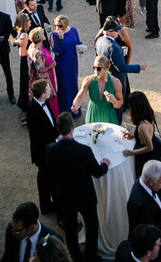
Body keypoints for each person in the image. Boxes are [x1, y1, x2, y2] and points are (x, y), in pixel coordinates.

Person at [46, 111, 110, 262]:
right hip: (84, 196)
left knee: (70, 228)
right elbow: (98, 172)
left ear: (58, 129)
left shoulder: (50, 150)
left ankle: (75, 256)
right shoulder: (84, 151)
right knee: (92, 226)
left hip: (65, 195)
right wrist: (105, 164)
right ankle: (91, 257)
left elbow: (51, 174)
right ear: (73, 127)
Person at [95, 17, 146, 118]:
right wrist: (139, 67)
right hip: (116, 78)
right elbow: (121, 68)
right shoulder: (114, 47)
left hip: (105, 76)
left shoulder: (99, 40)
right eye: (116, 30)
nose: (118, 31)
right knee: (118, 104)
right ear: (109, 33)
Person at [126, 160, 161, 262]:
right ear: (151, 182)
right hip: (151, 249)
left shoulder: (145, 179)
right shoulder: (141, 205)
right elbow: (154, 231)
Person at [27, 78, 59, 213]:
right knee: (47, 180)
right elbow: (39, 138)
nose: (51, 90)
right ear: (42, 95)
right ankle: (48, 206)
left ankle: (46, 205)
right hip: (43, 153)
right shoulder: (33, 112)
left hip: (48, 148)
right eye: (48, 89)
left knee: (46, 179)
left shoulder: (44, 103)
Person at [122, 90, 161, 176]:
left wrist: (132, 152)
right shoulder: (147, 117)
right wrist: (134, 136)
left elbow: (150, 147)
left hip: (146, 158)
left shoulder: (142, 126)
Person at [71, 54, 123, 123]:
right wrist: (75, 106)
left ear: (106, 68)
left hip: (108, 115)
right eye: (94, 67)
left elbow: (120, 103)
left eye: (98, 68)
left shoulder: (116, 82)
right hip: (93, 114)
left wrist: (114, 101)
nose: (95, 70)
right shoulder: (88, 80)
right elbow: (80, 96)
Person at [50, 14, 83, 116]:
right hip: (62, 64)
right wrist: (60, 39)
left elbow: (78, 42)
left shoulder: (73, 30)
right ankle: (65, 111)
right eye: (56, 25)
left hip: (72, 62)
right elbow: (57, 52)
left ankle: (75, 109)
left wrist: (80, 49)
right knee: (64, 86)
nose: (57, 28)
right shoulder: (54, 35)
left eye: (60, 26)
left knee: (73, 84)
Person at [28, 26, 59, 117]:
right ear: (40, 38)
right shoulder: (37, 52)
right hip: (43, 79)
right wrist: (52, 66)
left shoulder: (31, 47)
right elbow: (41, 70)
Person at [13, 11, 32, 126]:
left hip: (24, 63)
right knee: (26, 84)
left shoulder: (22, 33)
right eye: (28, 21)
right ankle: (25, 110)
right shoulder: (24, 35)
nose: (30, 22)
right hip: (26, 63)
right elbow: (23, 53)